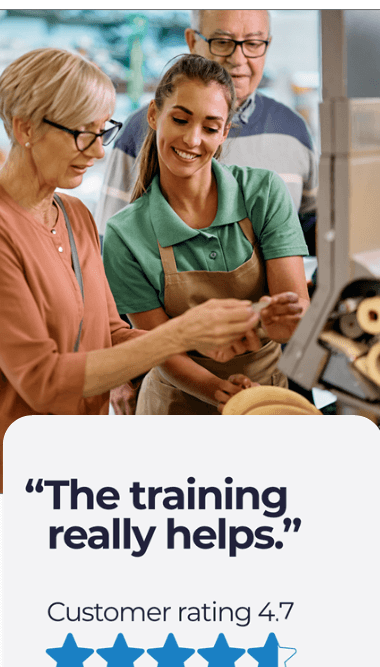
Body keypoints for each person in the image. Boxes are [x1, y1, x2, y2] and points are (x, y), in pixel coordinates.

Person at [0, 48, 265, 493]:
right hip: (5, 476)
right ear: (25, 128)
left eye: (103, 132)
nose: (97, 151)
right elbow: (43, 381)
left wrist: (206, 359)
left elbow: (109, 332)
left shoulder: (74, 215)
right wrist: (181, 333)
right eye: (82, 134)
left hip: (74, 468)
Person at [103, 55, 310, 415]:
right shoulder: (125, 235)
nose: (192, 139)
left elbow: (294, 312)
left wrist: (284, 324)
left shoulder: (262, 193)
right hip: (174, 407)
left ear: (225, 132)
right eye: (180, 120)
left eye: (211, 128)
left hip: (266, 399)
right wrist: (219, 389)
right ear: (154, 115)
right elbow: (161, 348)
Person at [95, 9, 318, 253]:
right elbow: (109, 244)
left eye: (253, 43)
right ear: (192, 41)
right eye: (222, 42)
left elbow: (311, 228)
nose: (238, 58)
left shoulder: (293, 130)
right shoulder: (143, 129)